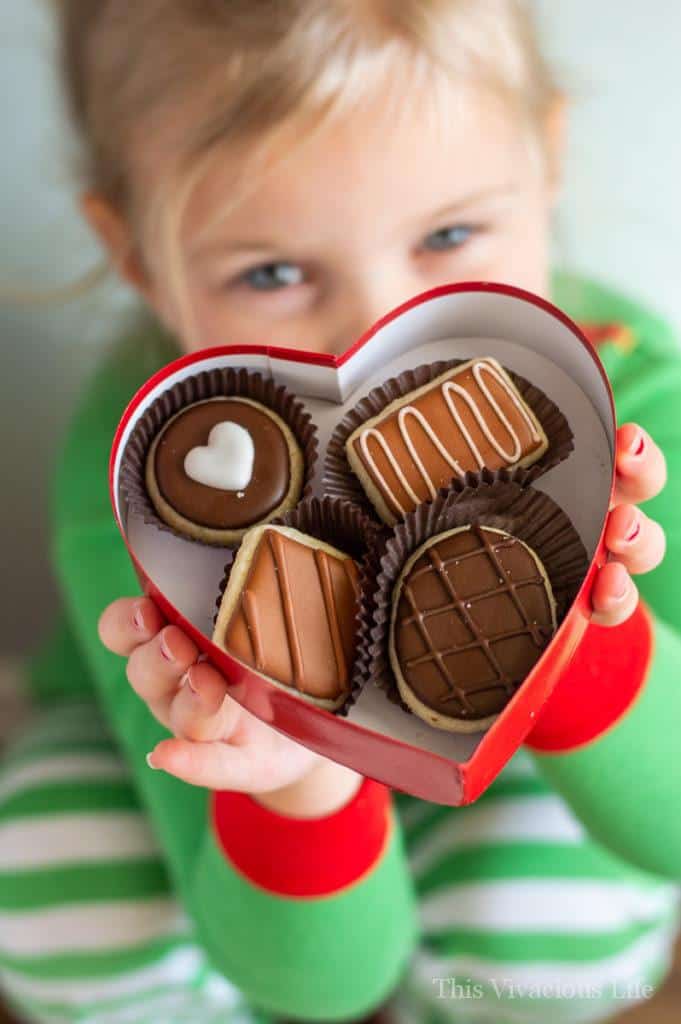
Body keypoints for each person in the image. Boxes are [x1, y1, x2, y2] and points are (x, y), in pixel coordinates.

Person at [1, 2, 680, 1022]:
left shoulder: (633, 400)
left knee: (560, 919)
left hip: (524, 773)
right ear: (140, 256)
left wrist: (579, 641)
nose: (381, 333)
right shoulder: (145, 485)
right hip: (229, 821)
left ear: (547, 161)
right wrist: (293, 783)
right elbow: (320, 989)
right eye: (271, 273)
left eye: (448, 233)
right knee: (54, 884)